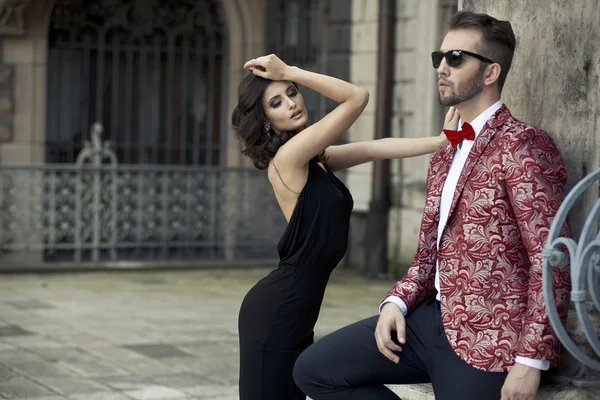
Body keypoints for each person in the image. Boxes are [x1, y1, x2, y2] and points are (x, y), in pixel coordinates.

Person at [293, 11, 571, 400]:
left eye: (455, 58)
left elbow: (552, 257)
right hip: (427, 322)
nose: (442, 67)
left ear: (490, 73)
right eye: (437, 57)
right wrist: (396, 301)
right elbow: (428, 255)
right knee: (314, 370)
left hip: (488, 341)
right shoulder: (445, 154)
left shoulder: (523, 145)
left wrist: (530, 360)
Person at [233, 54, 459, 399]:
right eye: (277, 103)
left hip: (297, 310)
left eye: (293, 92)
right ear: (266, 121)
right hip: (276, 311)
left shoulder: (316, 161)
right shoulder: (288, 160)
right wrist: (289, 71)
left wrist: (440, 141)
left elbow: (373, 148)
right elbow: (357, 97)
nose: (292, 104)